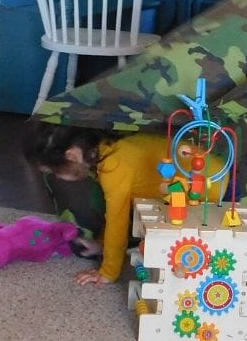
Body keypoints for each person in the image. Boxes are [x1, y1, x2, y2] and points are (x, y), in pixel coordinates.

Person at [23, 121, 226, 286]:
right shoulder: (106, 151)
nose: (58, 178)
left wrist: (108, 272)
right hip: (204, 174)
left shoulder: (112, 166)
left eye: (56, 172)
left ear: (72, 156)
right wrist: (101, 245)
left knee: (177, 248)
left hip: (207, 185)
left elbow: (117, 220)